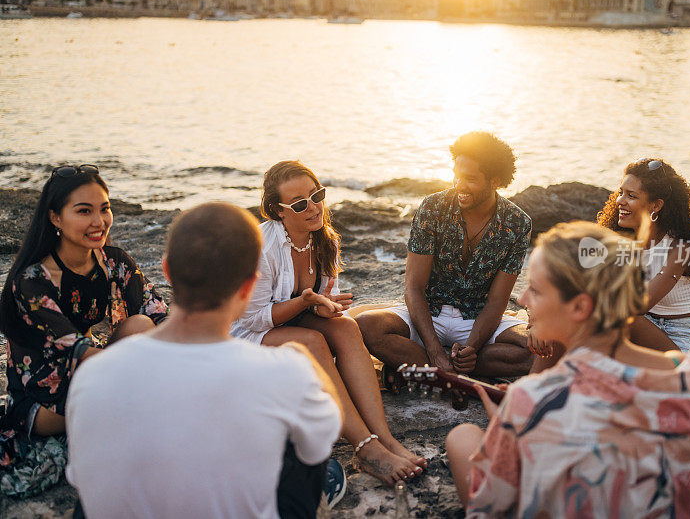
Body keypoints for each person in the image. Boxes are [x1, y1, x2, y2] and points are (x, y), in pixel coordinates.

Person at [447, 221, 690, 518]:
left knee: (461, 437)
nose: (522, 299)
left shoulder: (534, 402)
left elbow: (490, 508)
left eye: (536, 290)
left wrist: (511, 425)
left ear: (580, 307)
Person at [66, 202, 345, 518]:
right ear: (250, 284)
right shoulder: (285, 370)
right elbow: (324, 434)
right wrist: (303, 361)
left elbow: (82, 480)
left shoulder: (92, 375)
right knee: (307, 452)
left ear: (168, 270)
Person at [229, 160, 425, 485]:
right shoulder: (262, 248)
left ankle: (384, 438)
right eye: (300, 204)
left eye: (317, 195)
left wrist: (323, 307)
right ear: (277, 211)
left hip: (290, 319)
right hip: (246, 333)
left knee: (347, 326)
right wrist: (305, 302)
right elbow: (254, 317)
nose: (314, 207)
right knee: (313, 343)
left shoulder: (324, 240)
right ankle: (364, 447)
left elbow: (318, 300)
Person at [0, 164, 167, 497]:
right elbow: (81, 354)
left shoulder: (114, 261)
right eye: (84, 211)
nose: (99, 221)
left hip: (96, 376)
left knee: (142, 326)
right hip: (45, 402)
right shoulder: (32, 282)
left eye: (105, 209)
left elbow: (159, 315)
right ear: (55, 218)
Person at [357, 132, 537, 378]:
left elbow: (497, 301)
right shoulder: (433, 208)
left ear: (495, 181)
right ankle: (441, 366)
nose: (459, 185)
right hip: (426, 315)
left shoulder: (517, 223)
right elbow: (414, 287)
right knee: (366, 326)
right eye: (457, 175)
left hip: (477, 321)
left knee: (537, 349)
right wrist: (434, 350)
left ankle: (436, 367)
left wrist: (470, 348)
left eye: (470, 179)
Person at [598, 157, 690, 352]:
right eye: (621, 192)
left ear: (656, 206)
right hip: (632, 330)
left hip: (675, 341)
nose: (620, 201)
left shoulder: (682, 247)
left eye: (631, 196)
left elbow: (637, 306)